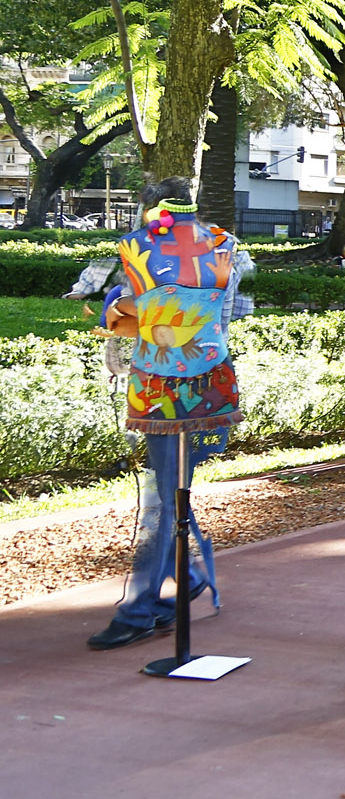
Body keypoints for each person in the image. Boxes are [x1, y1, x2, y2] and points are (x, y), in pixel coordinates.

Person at [86, 178, 244, 650]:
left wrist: (116, 307)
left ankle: (141, 608)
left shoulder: (137, 247)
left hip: (157, 388)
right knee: (172, 491)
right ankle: (190, 576)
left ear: (152, 209)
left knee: (162, 498)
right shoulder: (223, 245)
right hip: (212, 382)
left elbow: (136, 314)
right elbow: (222, 314)